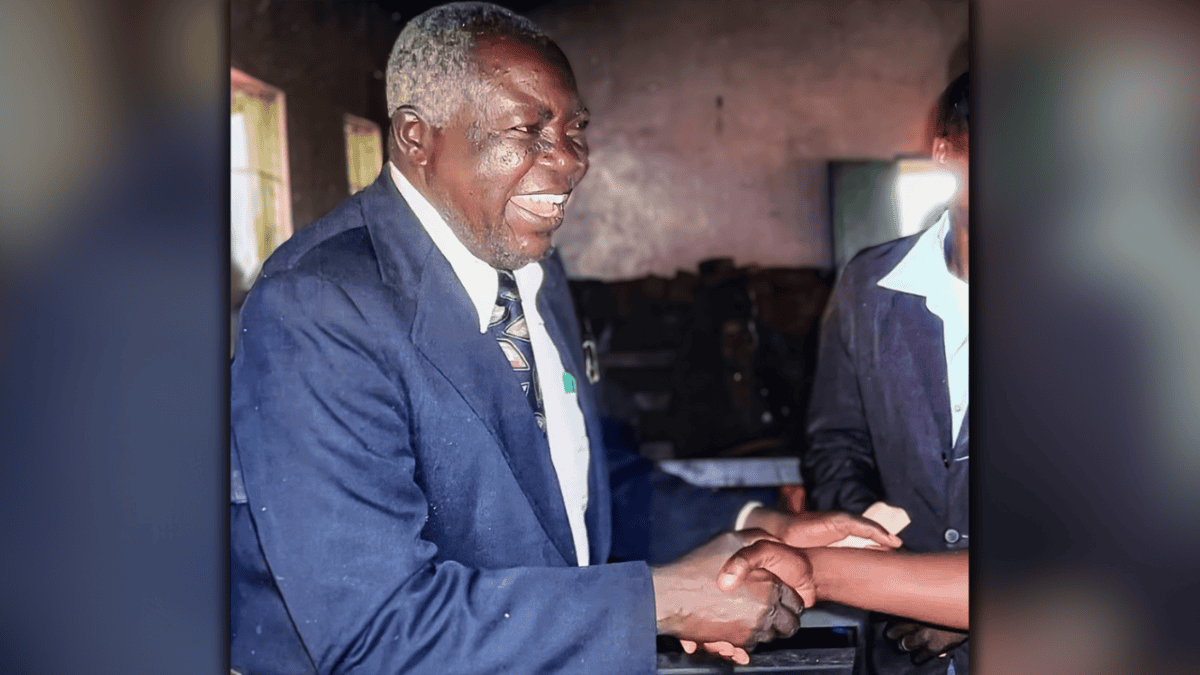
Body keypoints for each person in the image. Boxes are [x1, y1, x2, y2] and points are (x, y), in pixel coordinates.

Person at [229, 4, 896, 674]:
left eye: (576, 130)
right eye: (531, 130)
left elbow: (582, 484)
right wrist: (660, 601)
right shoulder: (321, 307)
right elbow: (379, 633)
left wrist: (762, 522)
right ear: (414, 137)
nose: (571, 162)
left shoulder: (533, 272)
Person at [801, 71, 970, 675]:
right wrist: (898, 579)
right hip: (902, 648)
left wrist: (960, 602)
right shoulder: (870, 285)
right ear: (948, 155)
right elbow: (836, 446)